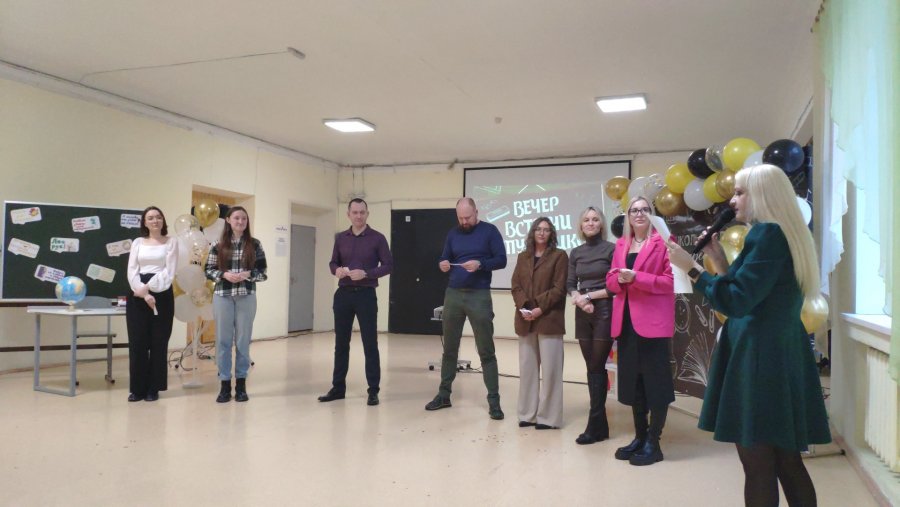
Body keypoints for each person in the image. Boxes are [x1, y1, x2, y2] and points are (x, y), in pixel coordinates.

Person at [667, 164, 830, 506]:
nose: (733, 200)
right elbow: (749, 291)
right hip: (775, 351)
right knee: (785, 459)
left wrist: (692, 268)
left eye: (740, 193)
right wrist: (718, 259)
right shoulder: (781, 233)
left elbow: (737, 302)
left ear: (762, 196)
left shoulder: (767, 235)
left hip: (760, 357)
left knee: (758, 464)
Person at [606, 196, 675, 466]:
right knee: (634, 383)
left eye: (645, 209)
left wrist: (637, 278)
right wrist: (620, 280)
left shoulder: (664, 242)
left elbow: (671, 282)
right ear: (628, 216)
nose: (639, 214)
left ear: (652, 214)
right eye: (634, 210)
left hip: (653, 324)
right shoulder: (621, 244)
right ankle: (640, 436)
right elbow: (610, 280)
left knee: (656, 384)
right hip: (625, 323)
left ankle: (654, 442)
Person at [425, 197, 507, 420]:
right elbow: (445, 257)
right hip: (453, 294)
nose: (464, 222)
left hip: (479, 295)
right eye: (460, 218)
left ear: (476, 212)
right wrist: (443, 264)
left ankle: (494, 401)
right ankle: (444, 395)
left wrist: (481, 264)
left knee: (486, 350)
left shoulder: (490, 231)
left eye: (468, 217)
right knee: (449, 349)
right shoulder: (453, 233)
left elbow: (501, 260)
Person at [318, 198, 393, 406]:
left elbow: (388, 265)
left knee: (370, 343)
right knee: (341, 344)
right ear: (348, 214)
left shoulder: (378, 238)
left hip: (366, 295)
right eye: (355, 212)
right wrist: (337, 270)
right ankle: (338, 388)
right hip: (343, 295)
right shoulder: (341, 238)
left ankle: (373, 390)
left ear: (367, 214)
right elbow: (333, 262)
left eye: (362, 212)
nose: (358, 216)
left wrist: (366, 273)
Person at [205, 206, 267, 403]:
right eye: (237, 218)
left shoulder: (255, 244)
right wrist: (224, 275)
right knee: (223, 341)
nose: (241, 222)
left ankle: (241, 384)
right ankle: (224, 384)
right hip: (223, 296)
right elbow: (208, 270)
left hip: (246, 296)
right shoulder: (218, 245)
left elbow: (263, 273)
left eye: (244, 219)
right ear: (228, 220)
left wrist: (249, 274)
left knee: (243, 341)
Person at [510, 218, 568, 429]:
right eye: (538, 229)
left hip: (549, 319)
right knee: (527, 370)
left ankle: (549, 418)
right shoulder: (522, 256)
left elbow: (559, 288)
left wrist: (539, 308)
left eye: (546, 230)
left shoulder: (559, 256)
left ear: (551, 234)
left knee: (551, 371)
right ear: (532, 232)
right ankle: (527, 414)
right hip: (525, 319)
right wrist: (525, 306)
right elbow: (515, 285)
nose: (542, 233)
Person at [566, 206, 616, 444]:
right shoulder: (576, 252)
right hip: (582, 311)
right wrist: (579, 299)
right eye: (586, 219)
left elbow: (614, 286)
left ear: (601, 224)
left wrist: (588, 297)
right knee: (592, 368)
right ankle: (600, 425)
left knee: (597, 366)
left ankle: (593, 425)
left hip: (604, 309)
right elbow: (570, 283)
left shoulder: (611, 249)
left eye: (595, 219)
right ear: (581, 225)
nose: (591, 223)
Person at [125, 206, 177, 402]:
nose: (155, 220)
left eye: (158, 217)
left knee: (158, 342)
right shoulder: (137, 242)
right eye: (151, 218)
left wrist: (148, 288)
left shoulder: (171, 242)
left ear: (163, 220)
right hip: (137, 293)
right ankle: (137, 389)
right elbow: (132, 270)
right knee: (137, 342)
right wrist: (142, 292)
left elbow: (169, 272)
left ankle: (153, 388)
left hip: (161, 292)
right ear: (145, 222)